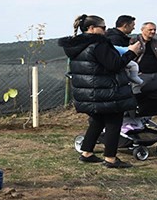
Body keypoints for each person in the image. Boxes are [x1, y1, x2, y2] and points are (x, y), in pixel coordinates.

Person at [59, 14, 142, 168]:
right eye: (103, 27)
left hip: (90, 91)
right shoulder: (99, 45)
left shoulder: (75, 46)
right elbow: (115, 65)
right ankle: (110, 158)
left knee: (97, 121)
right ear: (91, 28)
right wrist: (132, 52)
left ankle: (87, 153)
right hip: (106, 90)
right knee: (113, 122)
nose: (105, 31)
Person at [131, 21, 157, 87]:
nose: (153, 31)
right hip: (140, 75)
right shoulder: (133, 42)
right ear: (142, 30)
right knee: (139, 95)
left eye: (154, 30)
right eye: (150, 30)